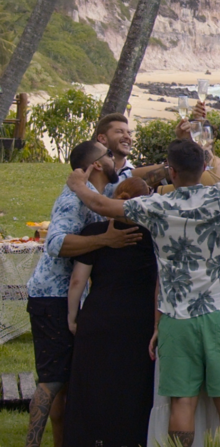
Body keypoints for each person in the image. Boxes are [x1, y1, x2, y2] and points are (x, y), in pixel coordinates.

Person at [65, 104, 220, 447]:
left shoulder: (156, 206)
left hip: (176, 316)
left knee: (182, 402)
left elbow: (102, 206)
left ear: (171, 172)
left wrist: (79, 185)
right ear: (204, 167)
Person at [24, 141, 143, 447]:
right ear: (98, 165)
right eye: (110, 155)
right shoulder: (73, 200)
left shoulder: (99, 195)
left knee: (67, 380)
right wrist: (105, 240)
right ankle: (31, 443)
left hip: (72, 297)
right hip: (52, 296)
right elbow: (56, 243)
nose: (116, 159)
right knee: (53, 379)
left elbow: (136, 181)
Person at [63, 177, 158, 447]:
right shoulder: (151, 234)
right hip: (138, 319)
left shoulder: (95, 230)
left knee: (92, 385)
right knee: (131, 385)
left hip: (99, 315)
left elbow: (77, 281)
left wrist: (72, 316)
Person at [94, 113, 167, 187]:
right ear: (102, 138)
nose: (127, 137)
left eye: (129, 133)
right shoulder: (88, 171)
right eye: (119, 131)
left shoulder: (134, 172)